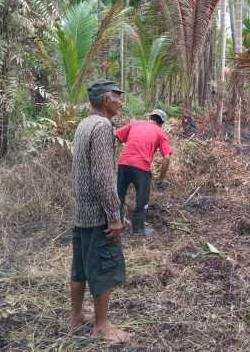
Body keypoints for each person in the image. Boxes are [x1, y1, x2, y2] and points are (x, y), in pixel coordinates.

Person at [70, 79, 129, 343]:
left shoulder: (84, 124)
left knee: (80, 267)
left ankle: (75, 317)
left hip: (81, 211)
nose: (120, 101)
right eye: (118, 96)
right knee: (103, 268)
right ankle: (102, 326)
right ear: (106, 99)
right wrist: (114, 216)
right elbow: (103, 176)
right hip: (98, 215)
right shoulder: (103, 126)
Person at [115, 109, 173, 237]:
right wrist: (161, 179)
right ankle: (138, 230)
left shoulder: (134, 124)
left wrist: (117, 157)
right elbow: (167, 157)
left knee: (119, 197)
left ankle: (116, 226)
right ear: (161, 123)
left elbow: (117, 136)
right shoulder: (160, 133)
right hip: (141, 168)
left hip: (123, 164)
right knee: (142, 200)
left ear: (150, 117)